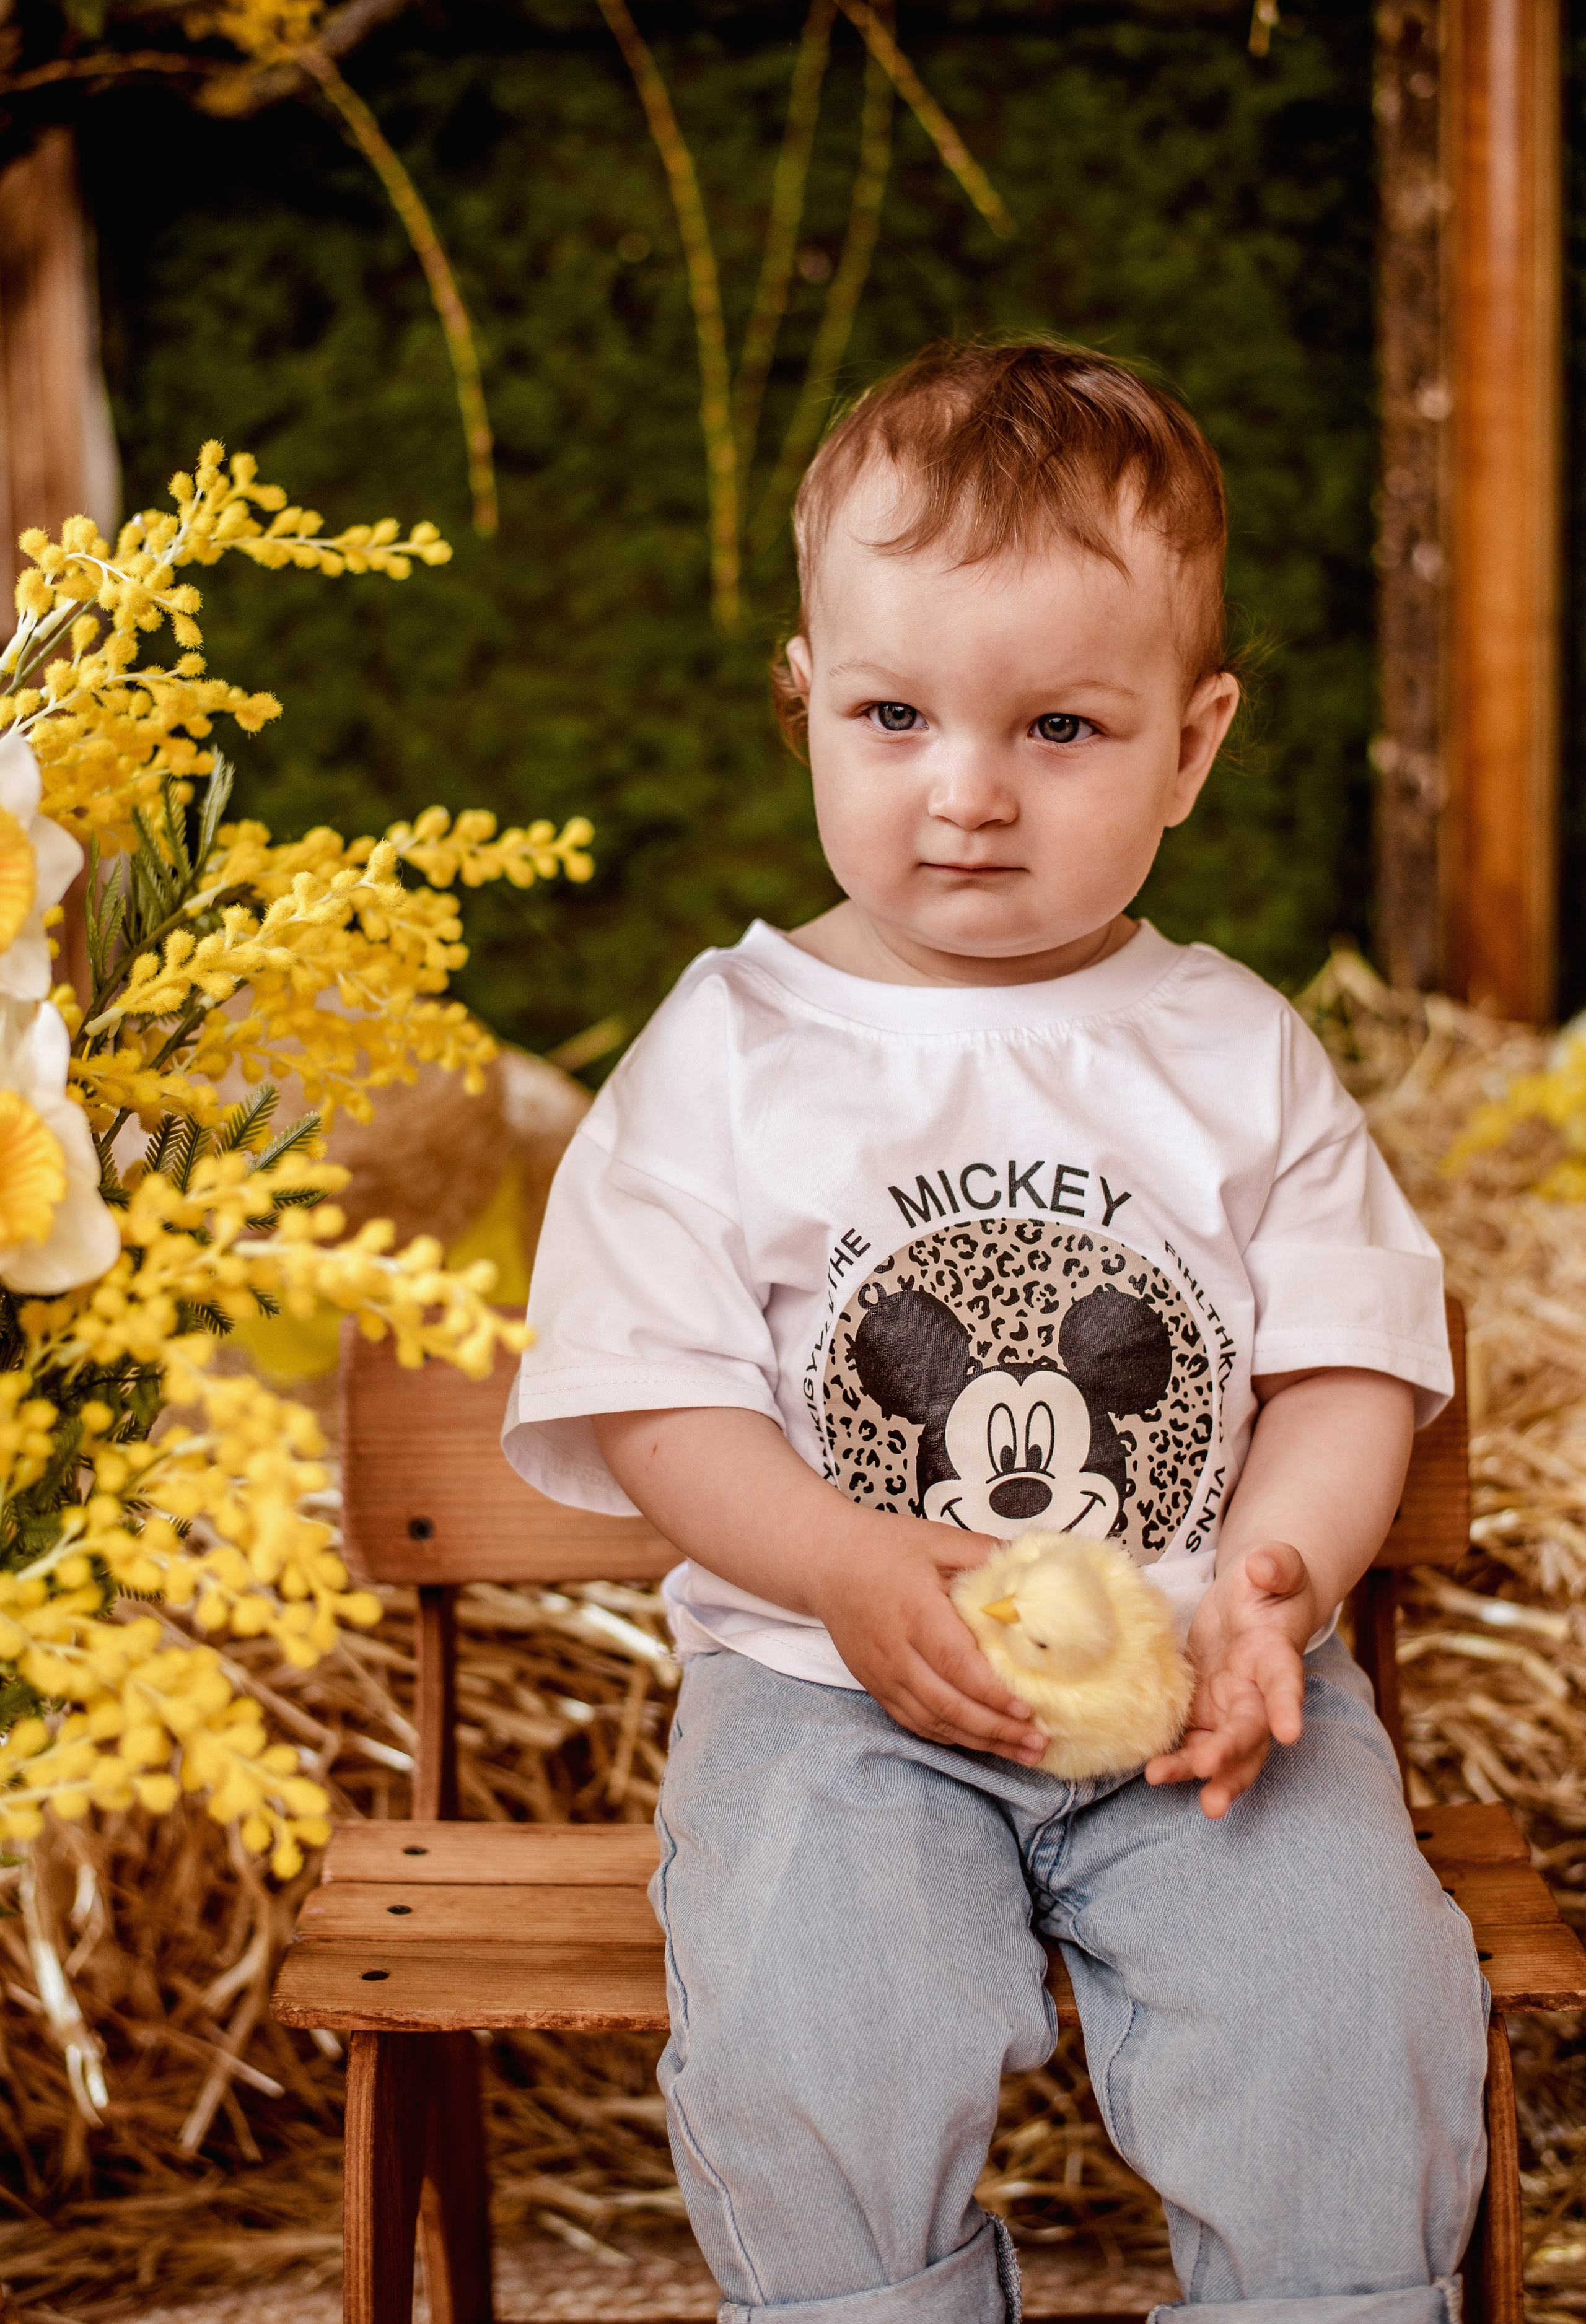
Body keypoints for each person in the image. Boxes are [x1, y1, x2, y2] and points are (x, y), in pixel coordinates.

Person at [503, 338, 1488, 2324]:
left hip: (1203, 1692)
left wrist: (1275, 1590)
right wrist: (848, 1563)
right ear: (806, 706)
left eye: (1057, 726)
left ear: (1192, 746)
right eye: (893, 714)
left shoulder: (1236, 1051)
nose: (965, 794)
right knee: (813, 2027)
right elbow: (663, 1401)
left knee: (1344, 1999)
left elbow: (1346, 1366)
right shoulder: (731, 1053)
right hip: (825, 1688)